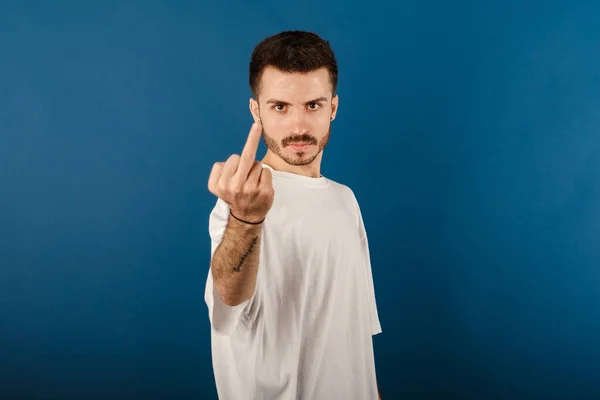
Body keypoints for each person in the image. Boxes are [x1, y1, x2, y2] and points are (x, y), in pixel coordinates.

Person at [204, 30, 382, 399]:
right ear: (257, 110)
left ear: (333, 106)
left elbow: (356, 343)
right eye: (280, 107)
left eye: (313, 105)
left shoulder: (345, 200)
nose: (298, 126)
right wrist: (247, 218)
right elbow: (227, 306)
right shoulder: (242, 200)